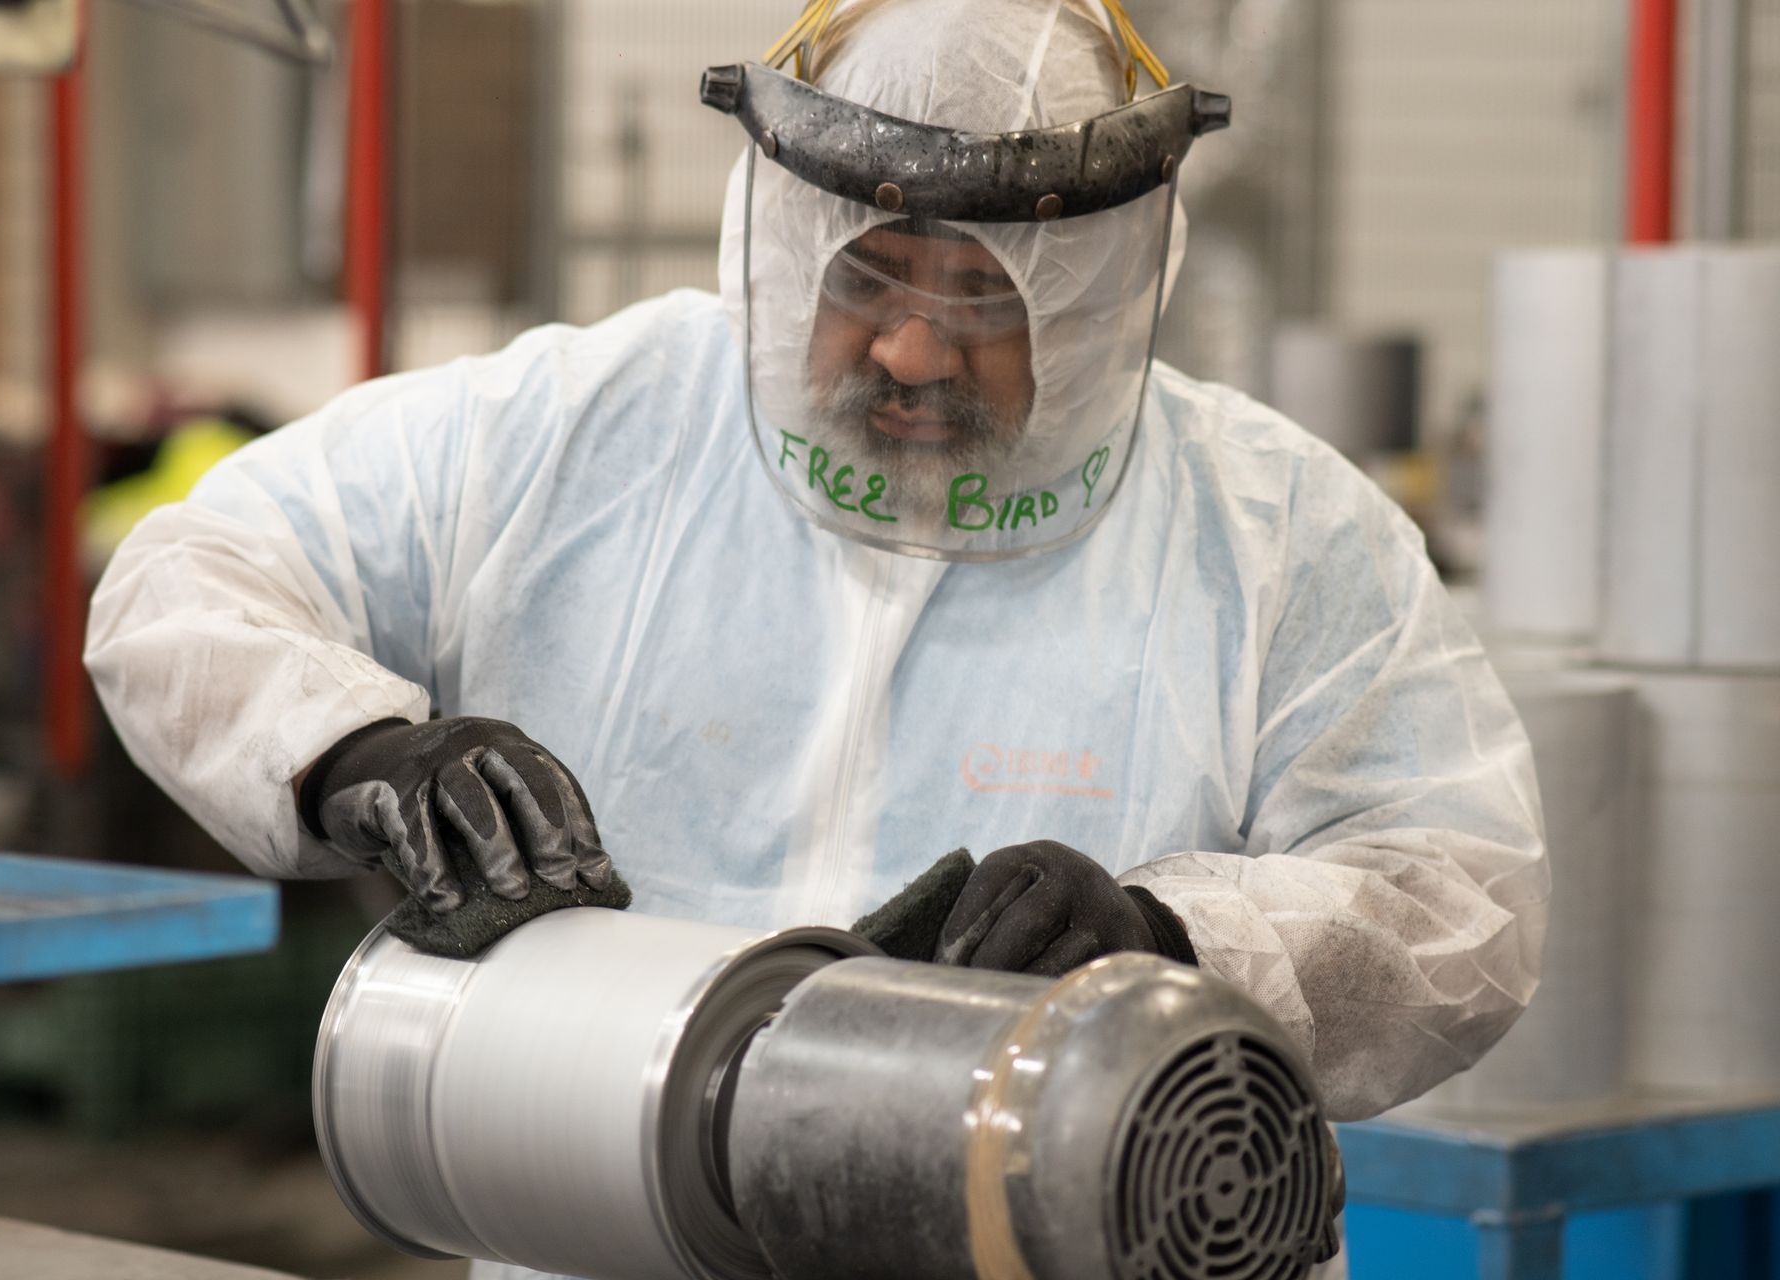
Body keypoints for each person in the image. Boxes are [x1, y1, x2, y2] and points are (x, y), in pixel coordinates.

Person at [87, 1, 1547, 1257]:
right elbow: (186, 577)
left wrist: (1172, 941)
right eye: (870, 274)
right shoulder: (572, 440)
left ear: (1102, 294)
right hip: (620, 1244)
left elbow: (1458, 892)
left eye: (985, 297)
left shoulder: (1273, 531)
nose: (911, 348)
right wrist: (361, 749)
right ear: (785, 240)